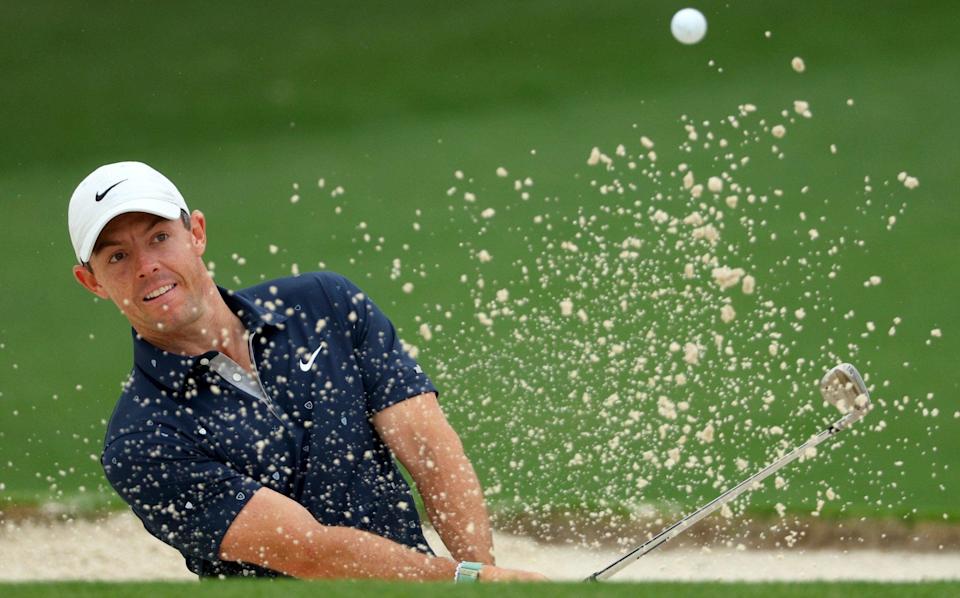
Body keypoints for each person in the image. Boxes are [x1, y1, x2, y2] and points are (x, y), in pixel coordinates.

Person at [67, 161, 546, 582]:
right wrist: (467, 583)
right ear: (92, 282)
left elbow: (429, 452)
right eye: (118, 256)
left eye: (159, 237)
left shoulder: (324, 305)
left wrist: (484, 572)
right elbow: (310, 552)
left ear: (196, 233)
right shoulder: (143, 442)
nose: (148, 266)